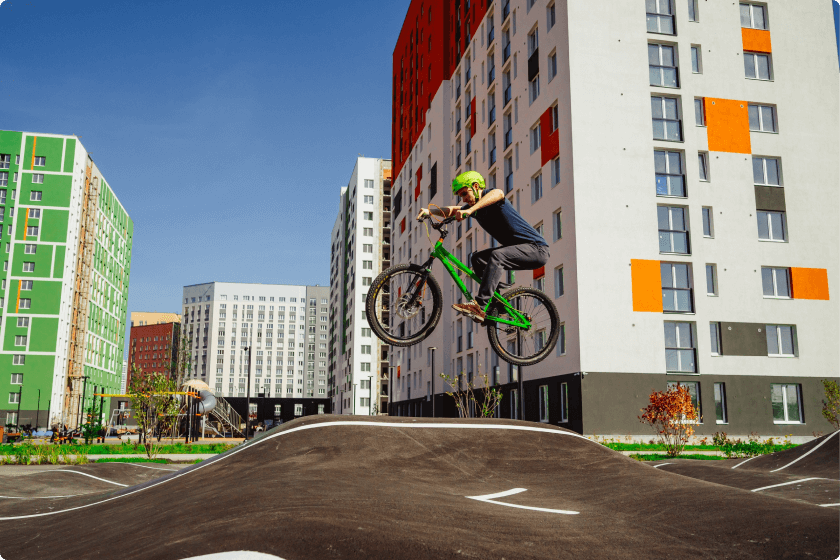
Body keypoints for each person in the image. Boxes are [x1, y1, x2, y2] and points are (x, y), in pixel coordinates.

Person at [416, 170, 549, 323]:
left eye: (465, 193)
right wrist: (430, 212)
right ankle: (495, 305)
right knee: (477, 259)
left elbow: (499, 193)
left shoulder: (491, 198)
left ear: (475, 186)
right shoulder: (475, 207)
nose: (464, 199)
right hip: (519, 250)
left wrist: (470, 210)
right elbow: (452, 210)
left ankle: (480, 306)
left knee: (497, 256)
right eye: (461, 196)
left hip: (537, 249)